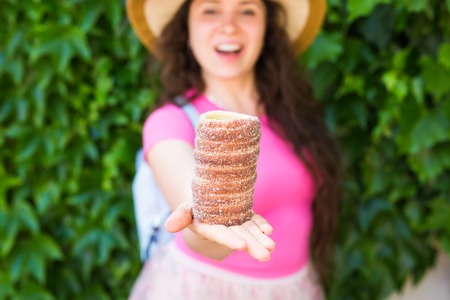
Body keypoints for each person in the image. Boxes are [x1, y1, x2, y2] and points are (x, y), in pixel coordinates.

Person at [126, 0, 341, 299]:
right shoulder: (170, 122)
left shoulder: (292, 116)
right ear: (186, 28)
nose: (229, 25)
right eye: (210, 10)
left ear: (267, 27)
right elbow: (199, 227)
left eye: (247, 10)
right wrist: (206, 222)